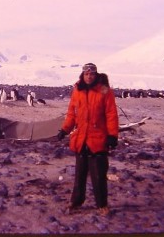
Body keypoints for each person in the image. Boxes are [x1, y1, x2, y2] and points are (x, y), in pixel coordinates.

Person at [57, 63, 119, 216]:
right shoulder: (77, 90)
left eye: (92, 74)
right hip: (81, 139)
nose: (89, 76)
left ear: (96, 75)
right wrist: (65, 129)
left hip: (98, 139)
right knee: (80, 174)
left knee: (98, 175)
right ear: (82, 75)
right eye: (86, 74)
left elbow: (111, 114)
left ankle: (102, 204)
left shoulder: (104, 90)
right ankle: (76, 201)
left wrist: (112, 135)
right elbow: (72, 113)